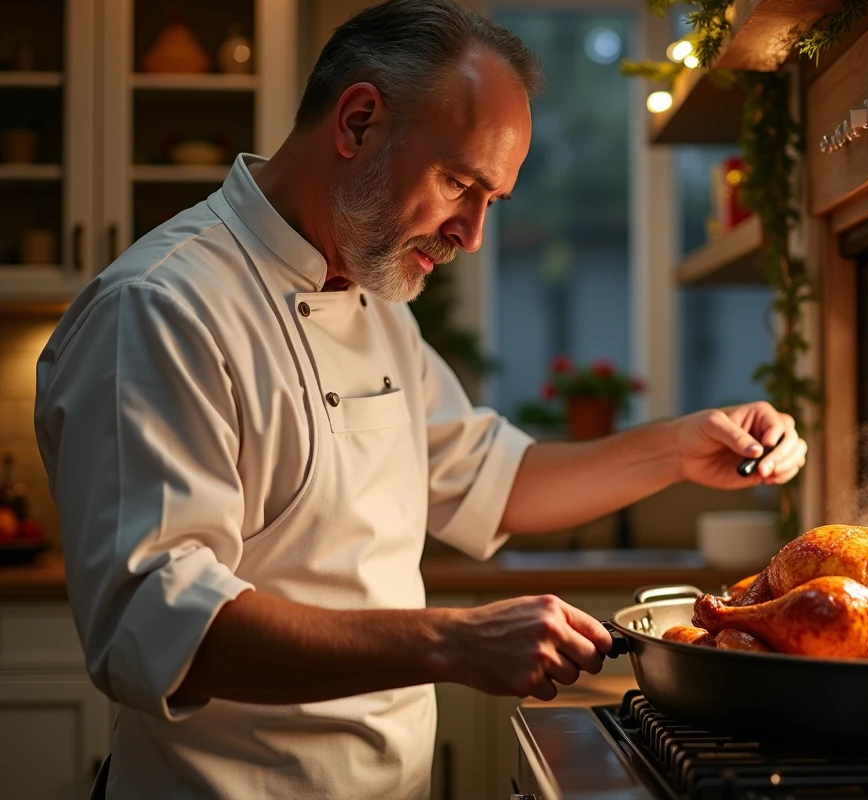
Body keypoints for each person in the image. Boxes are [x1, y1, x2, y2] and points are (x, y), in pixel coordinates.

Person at [33, 1, 807, 797]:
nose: (471, 235)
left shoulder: (374, 299)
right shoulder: (162, 308)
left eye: (491, 201)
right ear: (358, 122)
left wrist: (681, 447)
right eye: (458, 184)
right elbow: (157, 625)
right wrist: (449, 642)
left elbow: (493, 480)